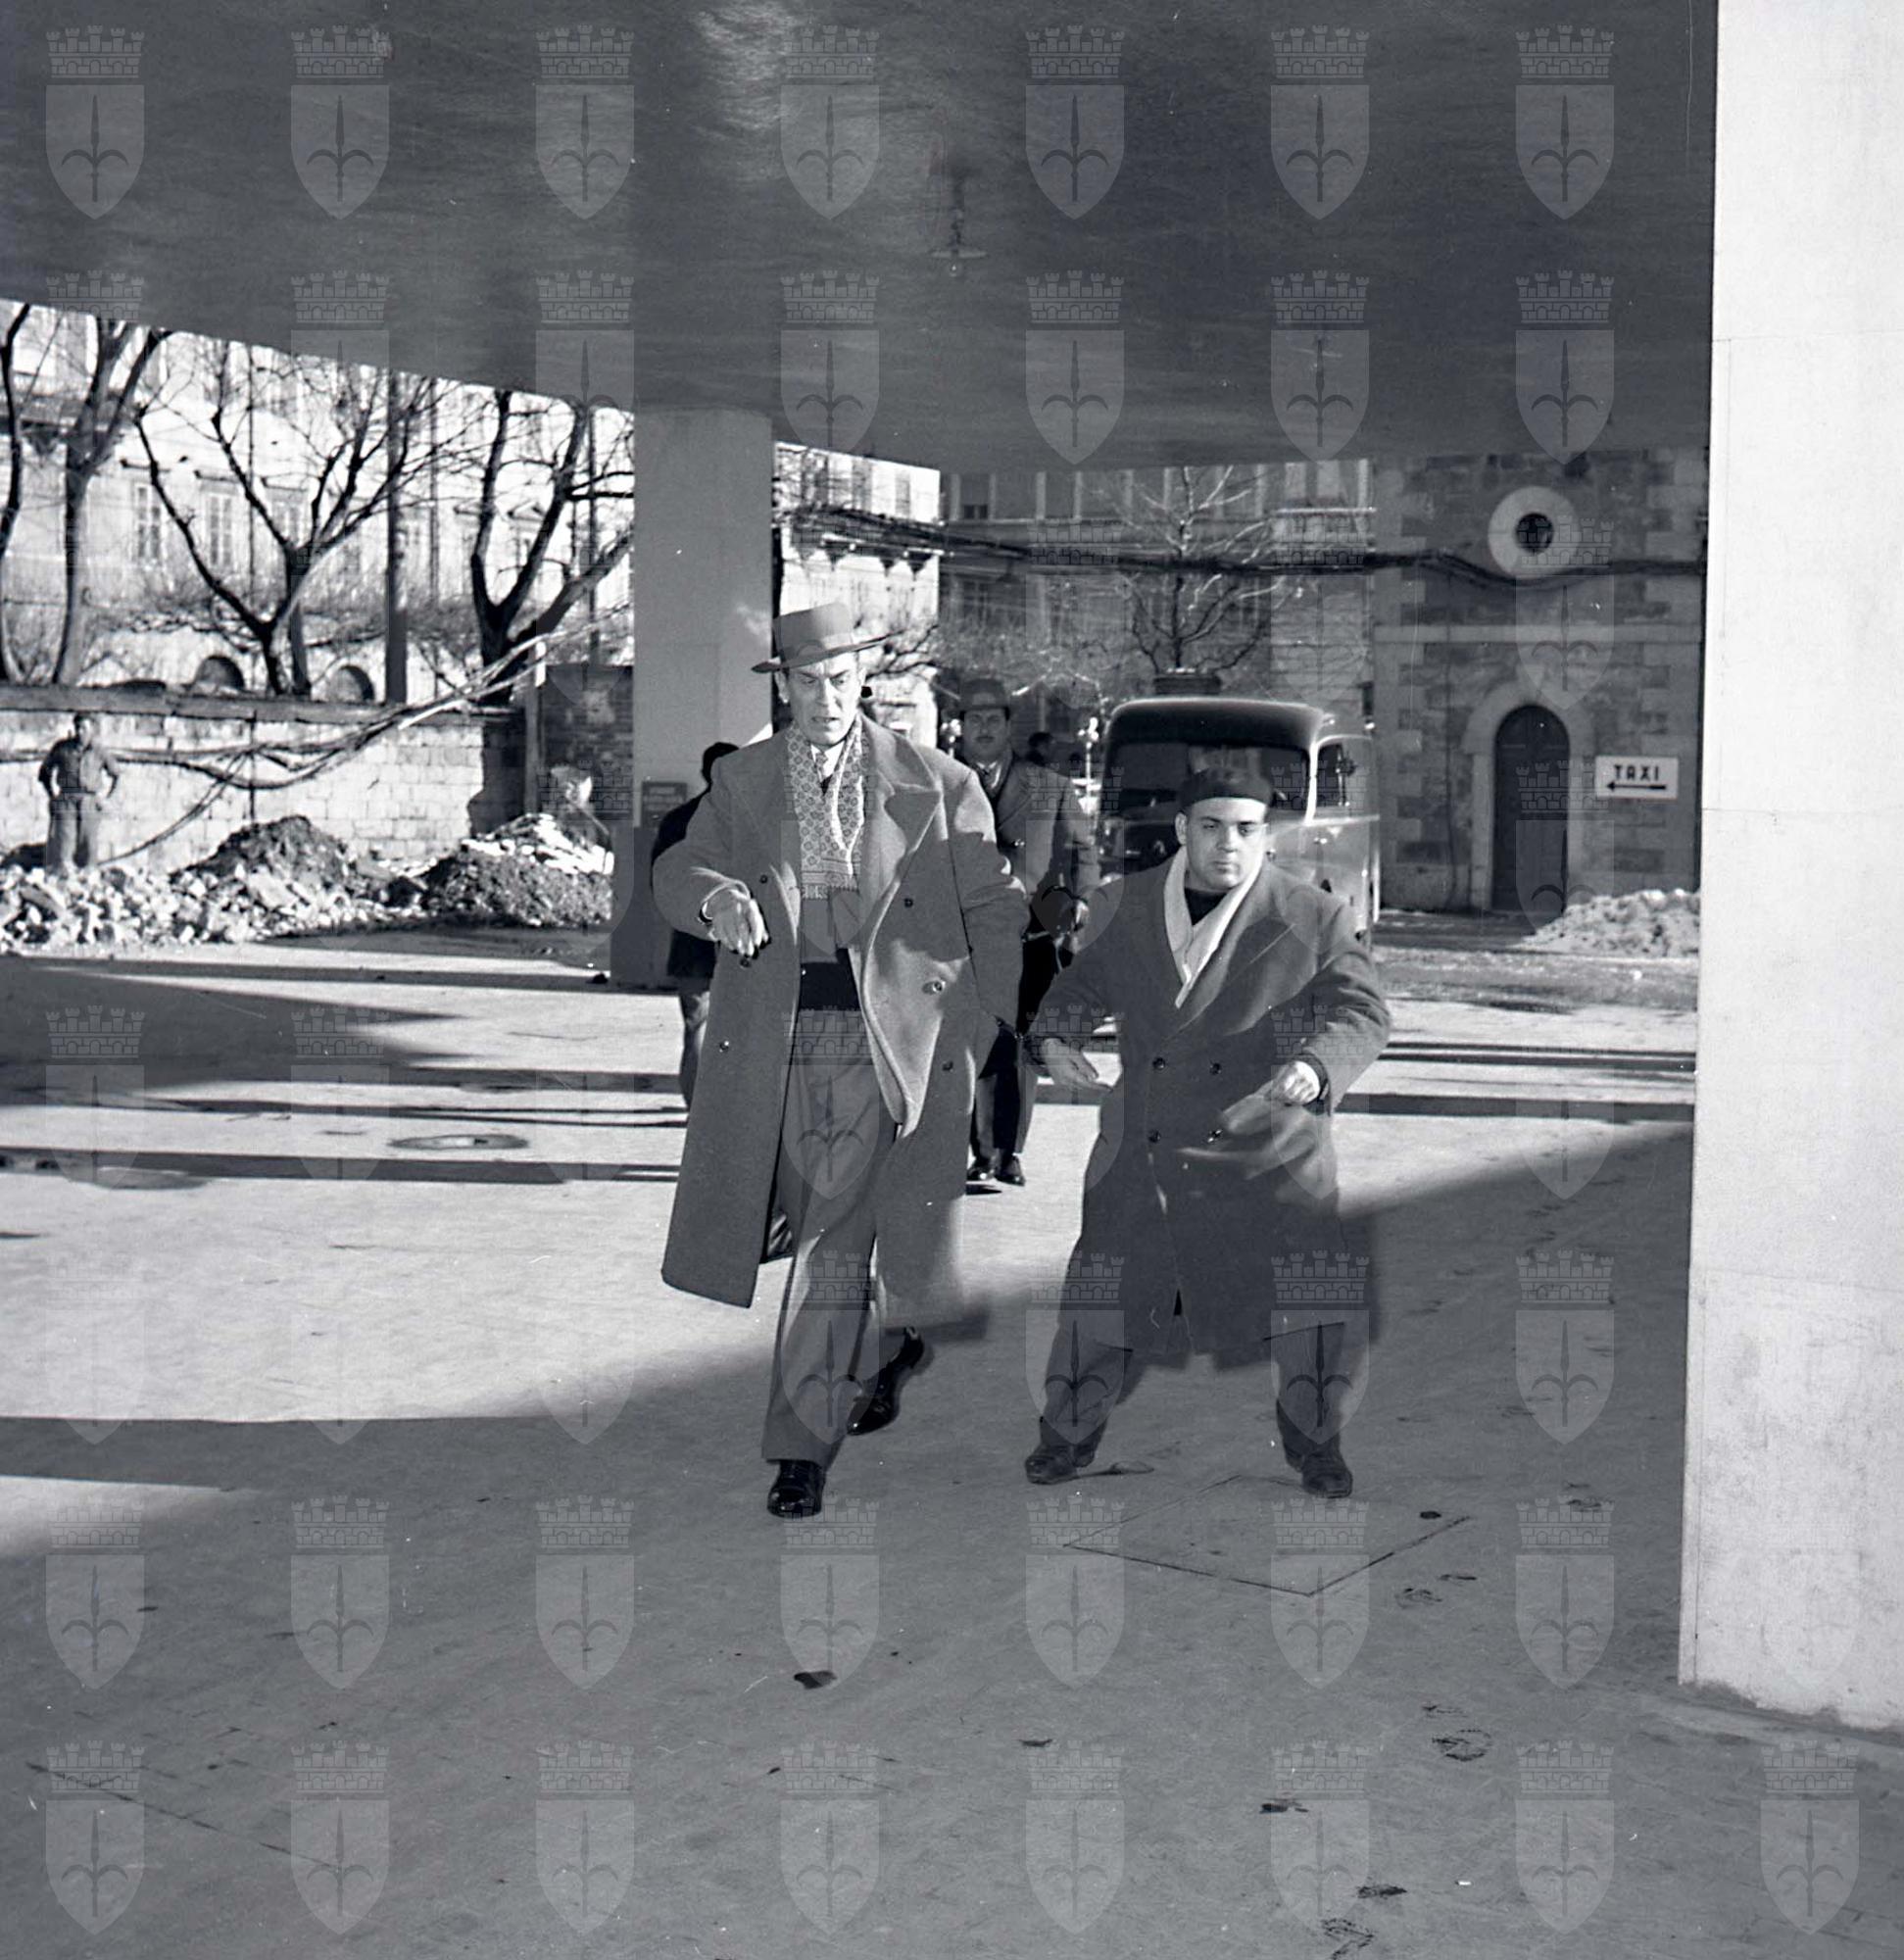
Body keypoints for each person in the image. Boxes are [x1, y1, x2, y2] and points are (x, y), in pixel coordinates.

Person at [652, 602, 1027, 1519]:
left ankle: (799, 1447)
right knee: (810, 1226)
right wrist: (716, 898)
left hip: (890, 1045)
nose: (826, 698)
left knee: (828, 1238)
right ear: (782, 685)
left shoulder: (938, 782)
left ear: (866, 681)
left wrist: (994, 1025)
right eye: (808, 681)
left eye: (842, 680)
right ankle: (888, 1341)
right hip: (774, 1041)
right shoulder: (743, 779)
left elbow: (994, 908)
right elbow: (678, 868)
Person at [1024, 767, 1391, 1497]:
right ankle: (1065, 1433)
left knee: (1309, 1306)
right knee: (1104, 1295)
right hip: (1148, 1139)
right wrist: (1055, 1037)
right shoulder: (1124, 903)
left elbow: (1362, 1011)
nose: (1229, 843)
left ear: (1267, 835)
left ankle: (1317, 1444)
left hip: (1266, 1140)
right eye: (1212, 826)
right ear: (1182, 829)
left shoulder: (1312, 914)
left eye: (1247, 829)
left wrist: (1318, 1066)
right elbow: (1079, 986)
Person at [957, 676, 1099, 1188]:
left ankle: (1008, 1151)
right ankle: (980, 1151)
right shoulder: (941, 784)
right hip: (963, 937)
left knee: (1019, 1045)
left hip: (1031, 934)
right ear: (960, 727)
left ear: (1008, 726)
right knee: (974, 1043)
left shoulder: (1048, 786)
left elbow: (1082, 849)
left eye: (993, 719)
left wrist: (1081, 899)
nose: (984, 728)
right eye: (975, 720)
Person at [649, 742, 740, 1109]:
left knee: (697, 1027)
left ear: (704, 773)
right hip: (744, 944)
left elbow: (661, 882)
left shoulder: (678, 820)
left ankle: (697, 1112)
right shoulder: (753, 823)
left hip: (692, 943)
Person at [38, 712, 122, 874]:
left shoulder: (100, 751)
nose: (79, 732)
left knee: (89, 845)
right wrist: (52, 797)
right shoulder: (62, 748)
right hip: (66, 800)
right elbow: (44, 773)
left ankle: (88, 880)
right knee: (64, 844)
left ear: (92, 730)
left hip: (89, 801)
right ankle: (63, 877)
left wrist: (107, 799)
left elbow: (116, 775)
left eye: (84, 728)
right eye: (77, 727)